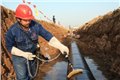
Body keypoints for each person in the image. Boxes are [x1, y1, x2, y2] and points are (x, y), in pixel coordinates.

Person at [5, 4, 69, 80]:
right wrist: (23, 54)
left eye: (29, 19)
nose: (28, 22)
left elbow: (47, 35)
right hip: (19, 58)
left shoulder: (36, 26)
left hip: (32, 55)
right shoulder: (12, 31)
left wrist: (60, 46)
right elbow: (9, 47)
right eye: (25, 20)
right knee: (22, 78)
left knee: (32, 75)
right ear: (18, 19)